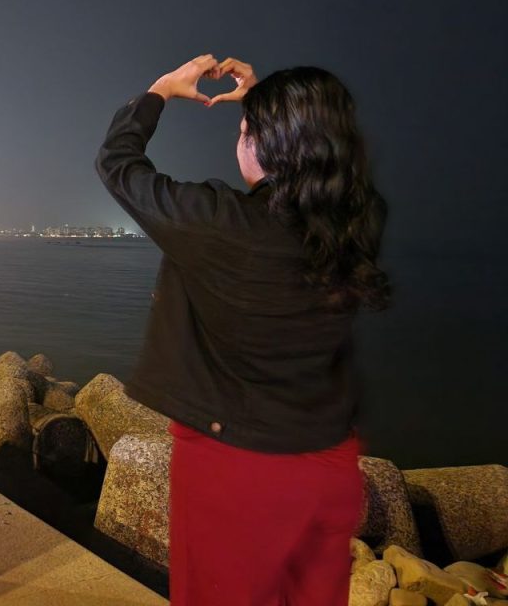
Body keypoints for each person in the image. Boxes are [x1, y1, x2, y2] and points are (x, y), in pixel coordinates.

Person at [96, 54, 389, 606]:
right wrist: (266, 103)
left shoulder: (218, 224)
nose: (240, 140)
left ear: (263, 144)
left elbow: (117, 163)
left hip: (237, 473)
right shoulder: (357, 225)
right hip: (330, 466)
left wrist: (161, 89)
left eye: (244, 130)